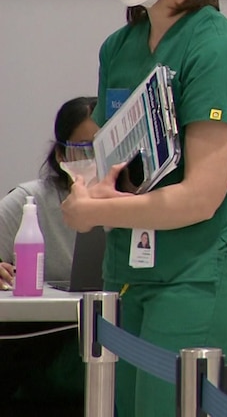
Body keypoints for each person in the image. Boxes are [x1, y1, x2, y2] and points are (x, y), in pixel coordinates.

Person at [60, 0, 227, 417]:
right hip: (127, 271)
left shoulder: (215, 49)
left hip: (197, 272)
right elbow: (99, 153)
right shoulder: (119, 48)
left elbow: (201, 197)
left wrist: (104, 208)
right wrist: (83, 189)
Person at [0, 96, 97, 412]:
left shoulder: (136, 206)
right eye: (85, 149)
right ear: (61, 153)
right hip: (37, 350)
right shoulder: (30, 200)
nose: (95, 159)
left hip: (107, 340)